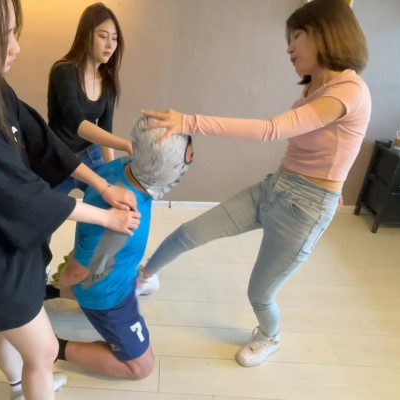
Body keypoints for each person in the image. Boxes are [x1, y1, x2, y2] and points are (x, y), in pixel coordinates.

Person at [0, 1, 141, 399]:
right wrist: (105, 217)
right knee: (44, 350)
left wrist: (102, 186)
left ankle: (19, 387)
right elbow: (24, 197)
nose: (15, 47)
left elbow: (44, 142)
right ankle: (29, 385)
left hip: (9, 246)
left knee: (9, 330)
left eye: (13, 33)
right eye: (2, 37)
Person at [136, 0, 371, 368]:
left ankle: (269, 336)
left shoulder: (350, 90)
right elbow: (335, 145)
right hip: (276, 188)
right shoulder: (315, 88)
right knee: (189, 233)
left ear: (326, 33)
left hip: (305, 211)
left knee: (259, 294)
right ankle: (147, 276)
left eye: (297, 35)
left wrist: (189, 122)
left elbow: (271, 130)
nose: (289, 47)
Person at [45, 116, 193, 379]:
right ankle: (48, 347)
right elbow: (76, 272)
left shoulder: (121, 166)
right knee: (141, 368)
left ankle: (50, 291)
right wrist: (69, 276)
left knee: (82, 277)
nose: (187, 167)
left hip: (107, 272)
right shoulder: (122, 220)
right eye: (185, 162)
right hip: (109, 296)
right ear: (163, 170)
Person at [48, 3, 133, 195]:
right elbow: (78, 124)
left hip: (92, 159)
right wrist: (126, 144)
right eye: (103, 36)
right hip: (58, 161)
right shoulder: (63, 71)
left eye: (115, 38)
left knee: (114, 203)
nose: (110, 44)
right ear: (87, 36)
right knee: (42, 211)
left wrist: (112, 172)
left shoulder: (108, 81)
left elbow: (105, 129)